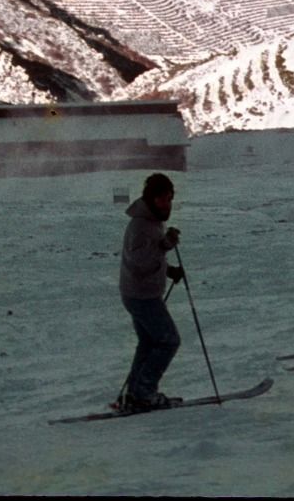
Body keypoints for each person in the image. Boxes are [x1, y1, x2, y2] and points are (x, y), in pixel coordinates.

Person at [118, 172, 185, 410]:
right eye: (162, 199)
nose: (167, 204)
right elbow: (139, 263)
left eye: (169, 199)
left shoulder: (152, 221)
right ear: (151, 198)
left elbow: (150, 256)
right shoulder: (141, 225)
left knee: (148, 342)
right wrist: (164, 246)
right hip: (141, 296)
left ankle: (136, 393)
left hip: (140, 293)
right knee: (168, 341)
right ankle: (144, 392)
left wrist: (168, 270)